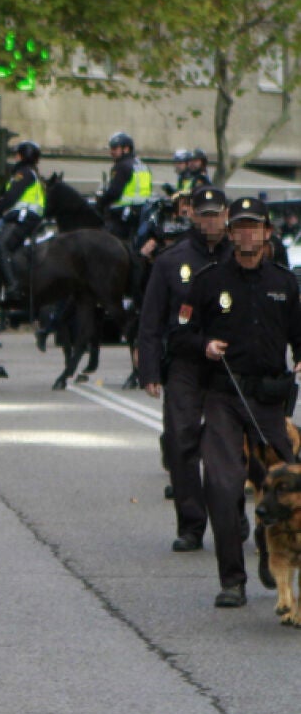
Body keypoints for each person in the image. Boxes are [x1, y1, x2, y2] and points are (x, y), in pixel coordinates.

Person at [176, 197, 301, 608]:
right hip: (224, 396)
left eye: (255, 227)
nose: (247, 234)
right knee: (224, 484)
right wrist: (204, 344)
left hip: (268, 400)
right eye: (240, 227)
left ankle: (271, 554)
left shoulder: (286, 283)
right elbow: (181, 332)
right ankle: (232, 579)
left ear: (267, 233)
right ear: (230, 234)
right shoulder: (209, 280)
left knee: (283, 481)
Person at [138, 186, 232, 552]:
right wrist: (149, 370)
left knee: (227, 447)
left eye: (216, 213)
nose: (210, 221)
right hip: (185, 362)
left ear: (226, 214)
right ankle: (191, 524)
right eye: (203, 214)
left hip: (229, 362)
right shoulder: (170, 259)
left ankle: (233, 516)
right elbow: (151, 319)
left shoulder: (243, 256)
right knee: (180, 440)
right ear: (190, 214)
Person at [0, 140, 46, 297]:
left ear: (21, 156)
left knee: (0, 245)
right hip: (26, 217)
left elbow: (10, 198)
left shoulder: (23, 173)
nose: (14, 158)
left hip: (24, 218)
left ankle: (12, 286)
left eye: (16, 155)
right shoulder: (32, 173)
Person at [97, 132, 153, 247]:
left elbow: (114, 192)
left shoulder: (122, 166)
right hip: (142, 212)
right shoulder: (142, 165)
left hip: (122, 213)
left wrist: (100, 203)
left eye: (114, 148)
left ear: (126, 149)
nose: (111, 152)